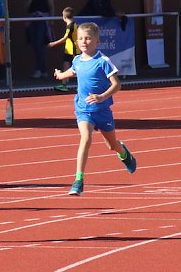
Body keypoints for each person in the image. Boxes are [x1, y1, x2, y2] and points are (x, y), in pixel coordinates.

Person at [53, 22, 137, 196]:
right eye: (81, 38)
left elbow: (117, 84)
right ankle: (78, 180)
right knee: (86, 138)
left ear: (97, 41)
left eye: (88, 38)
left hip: (102, 110)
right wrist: (61, 75)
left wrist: (101, 97)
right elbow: (73, 71)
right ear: (77, 42)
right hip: (83, 109)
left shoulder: (103, 61)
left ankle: (124, 153)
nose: (84, 41)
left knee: (112, 145)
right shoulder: (77, 60)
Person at [22, 0, 54, 79]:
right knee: (35, 44)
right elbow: (26, 6)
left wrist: (51, 19)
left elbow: (51, 5)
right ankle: (42, 69)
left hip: (42, 20)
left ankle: (40, 69)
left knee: (39, 43)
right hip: (32, 19)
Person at [47, 6, 78, 92]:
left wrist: (53, 43)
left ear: (64, 17)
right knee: (66, 65)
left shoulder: (71, 26)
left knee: (78, 67)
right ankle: (64, 84)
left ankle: (81, 85)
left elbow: (65, 38)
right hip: (68, 49)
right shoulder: (71, 25)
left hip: (74, 50)